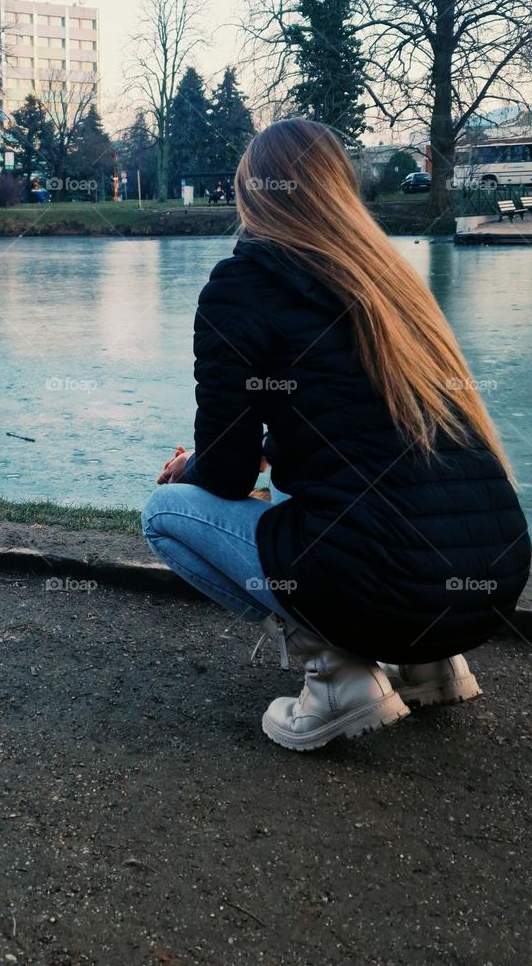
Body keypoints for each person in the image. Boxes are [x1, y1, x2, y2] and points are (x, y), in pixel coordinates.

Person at [142, 118, 530, 751]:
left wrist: (191, 469)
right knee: (335, 503)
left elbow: (227, 475)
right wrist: (271, 451)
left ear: (253, 196)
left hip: (386, 585)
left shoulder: (239, 286)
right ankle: (430, 667)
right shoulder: (393, 283)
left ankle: (338, 675)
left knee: (163, 514)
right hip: (492, 583)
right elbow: (364, 427)